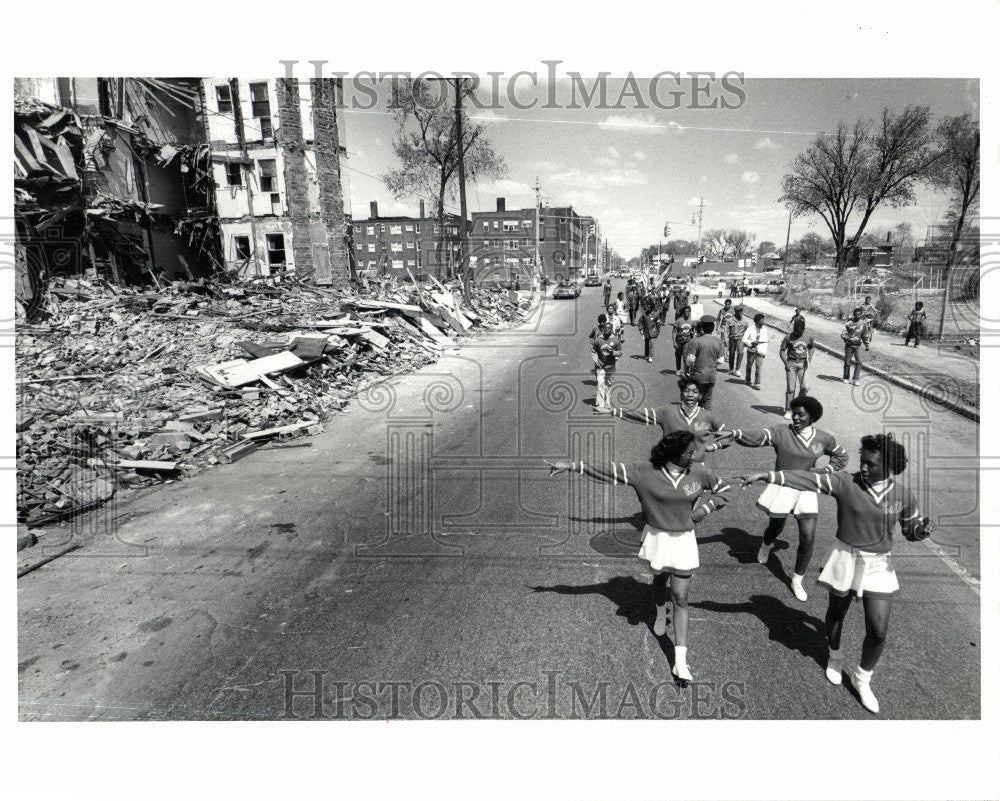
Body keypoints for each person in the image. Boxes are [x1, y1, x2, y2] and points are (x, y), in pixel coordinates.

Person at [739, 433, 932, 714]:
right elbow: (805, 479)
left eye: (869, 464)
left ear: (889, 467)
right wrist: (764, 476)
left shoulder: (902, 496)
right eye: (862, 462)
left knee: (878, 631)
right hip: (846, 556)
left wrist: (920, 532)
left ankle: (862, 679)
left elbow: (910, 530)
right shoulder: (846, 483)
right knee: (836, 613)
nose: (862, 467)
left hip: (879, 563)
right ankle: (835, 656)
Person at [545, 430, 731, 684]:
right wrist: (573, 465)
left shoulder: (700, 473)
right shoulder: (644, 472)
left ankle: (680, 662)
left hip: (684, 539)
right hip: (658, 537)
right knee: (659, 580)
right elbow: (608, 471)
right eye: (689, 453)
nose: (695, 456)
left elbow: (724, 491)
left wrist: (703, 511)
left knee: (681, 597)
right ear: (675, 454)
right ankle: (658, 608)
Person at [722, 395, 848, 602]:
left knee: (808, 536)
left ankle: (797, 579)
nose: (795, 418)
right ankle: (766, 545)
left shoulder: (824, 438)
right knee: (776, 526)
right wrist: (735, 433)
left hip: (807, 488)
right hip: (782, 485)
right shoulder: (781, 432)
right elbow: (758, 436)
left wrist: (826, 470)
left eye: (801, 415)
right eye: (793, 414)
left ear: (812, 417)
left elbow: (841, 456)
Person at [602, 377, 730, 463]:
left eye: (695, 392)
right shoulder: (667, 411)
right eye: (686, 391)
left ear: (700, 396)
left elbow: (729, 436)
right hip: (669, 464)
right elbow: (640, 414)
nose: (690, 395)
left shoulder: (708, 417)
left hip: (695, 468)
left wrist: (712, 447)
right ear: (681, 394)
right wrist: (613, 411)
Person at [681, 316, 725, 410]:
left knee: (696, 398)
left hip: (698, 374)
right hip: (711, 374)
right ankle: (706, 419)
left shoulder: (695, 341)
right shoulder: (718, 342)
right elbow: (721, 360)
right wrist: (712, 363)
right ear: (712, 329)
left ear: (702, 328)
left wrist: (689, 367)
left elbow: (690, 360)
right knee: (708, 399)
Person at [779, 317, 816, 419]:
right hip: (791, 363)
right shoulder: (788, 337)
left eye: (799, 331)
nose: (797, 332)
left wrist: (810, 358)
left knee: (805, 387)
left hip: (803, 364)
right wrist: (785, 363)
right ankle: (788, 410)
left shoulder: (808, 337)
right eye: (795, 330)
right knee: (791, 388)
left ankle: (797, 405)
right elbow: (782, 351)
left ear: (804, 329)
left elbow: (812, 347)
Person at [592, 320, 622, 413]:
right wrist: (596, 360)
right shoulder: (598, 339)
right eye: (605, 328)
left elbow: (620, 352)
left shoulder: (615, 340)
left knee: (608, 385)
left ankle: (607, 403)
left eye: (609, 328)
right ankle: (600, 405)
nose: (607, 330)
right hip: (601, 366)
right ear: (603, 329)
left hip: (610, 366)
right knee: (600, 383)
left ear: (612, 330)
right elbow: (594, 351)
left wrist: (612, 352)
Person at [841, 307, 871, 385]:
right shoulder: (849, 323)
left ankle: (856, 379)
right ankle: (846, 377)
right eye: (855, 314)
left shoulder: (863, 324)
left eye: (858, 315)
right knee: (847, 362)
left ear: (861, 315)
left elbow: (865, 335)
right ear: (853, 315)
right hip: (849, 345)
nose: (857, 316)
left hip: (857, 345)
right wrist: (847, 338)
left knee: (859, 362)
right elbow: (843, 333)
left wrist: (867, 344)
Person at [742, 313, 769, 389]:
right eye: (762, 320)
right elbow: (744, 339)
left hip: (760, 351)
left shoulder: (764, 329)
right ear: (757, 321)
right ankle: (748, 379)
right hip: (752, 350)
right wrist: (751, 343)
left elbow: (766, 341)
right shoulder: (750, 328)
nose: (763, 321)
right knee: (749, 365)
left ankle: (757, 383)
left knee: (758, 367)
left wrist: (764, 352)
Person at [636, 295, 662, 362]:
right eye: (647, 307)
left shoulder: (655, 315)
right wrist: (641, 329)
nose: (647, 308)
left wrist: (657, 331)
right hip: (646, 331)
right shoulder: (644, 315)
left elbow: (658, 324)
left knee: (651, 344)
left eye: (649, 307)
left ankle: (651, 356)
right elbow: (640, 322)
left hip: (653, 331)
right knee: (646, 343)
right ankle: (646, 355)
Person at [671, 306, 694, 373]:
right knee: (678, 355)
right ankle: (678, 369)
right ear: (683, 313)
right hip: (679, 340)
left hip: (687, 341)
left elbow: (693, 332)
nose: (687, 313)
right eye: (685, 312)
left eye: (688, 312)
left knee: (685, 356)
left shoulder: (691, 322)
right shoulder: (679, 321)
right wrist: (674, 342)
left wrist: (692, 339)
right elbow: (673, 332)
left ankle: (686, 370)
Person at [727, 306, 749, 375]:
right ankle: (731, 368)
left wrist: (746, 341)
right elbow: (726, 330)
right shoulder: (730, 320)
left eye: (741, 311)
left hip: (740, 339)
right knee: (731, 353)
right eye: (739, 311)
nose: (740, 313)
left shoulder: (745, 321)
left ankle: (737, 369)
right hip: (732, 338)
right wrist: (726, 339)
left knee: (740, 353)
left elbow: (747, 332)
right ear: (735, 312)